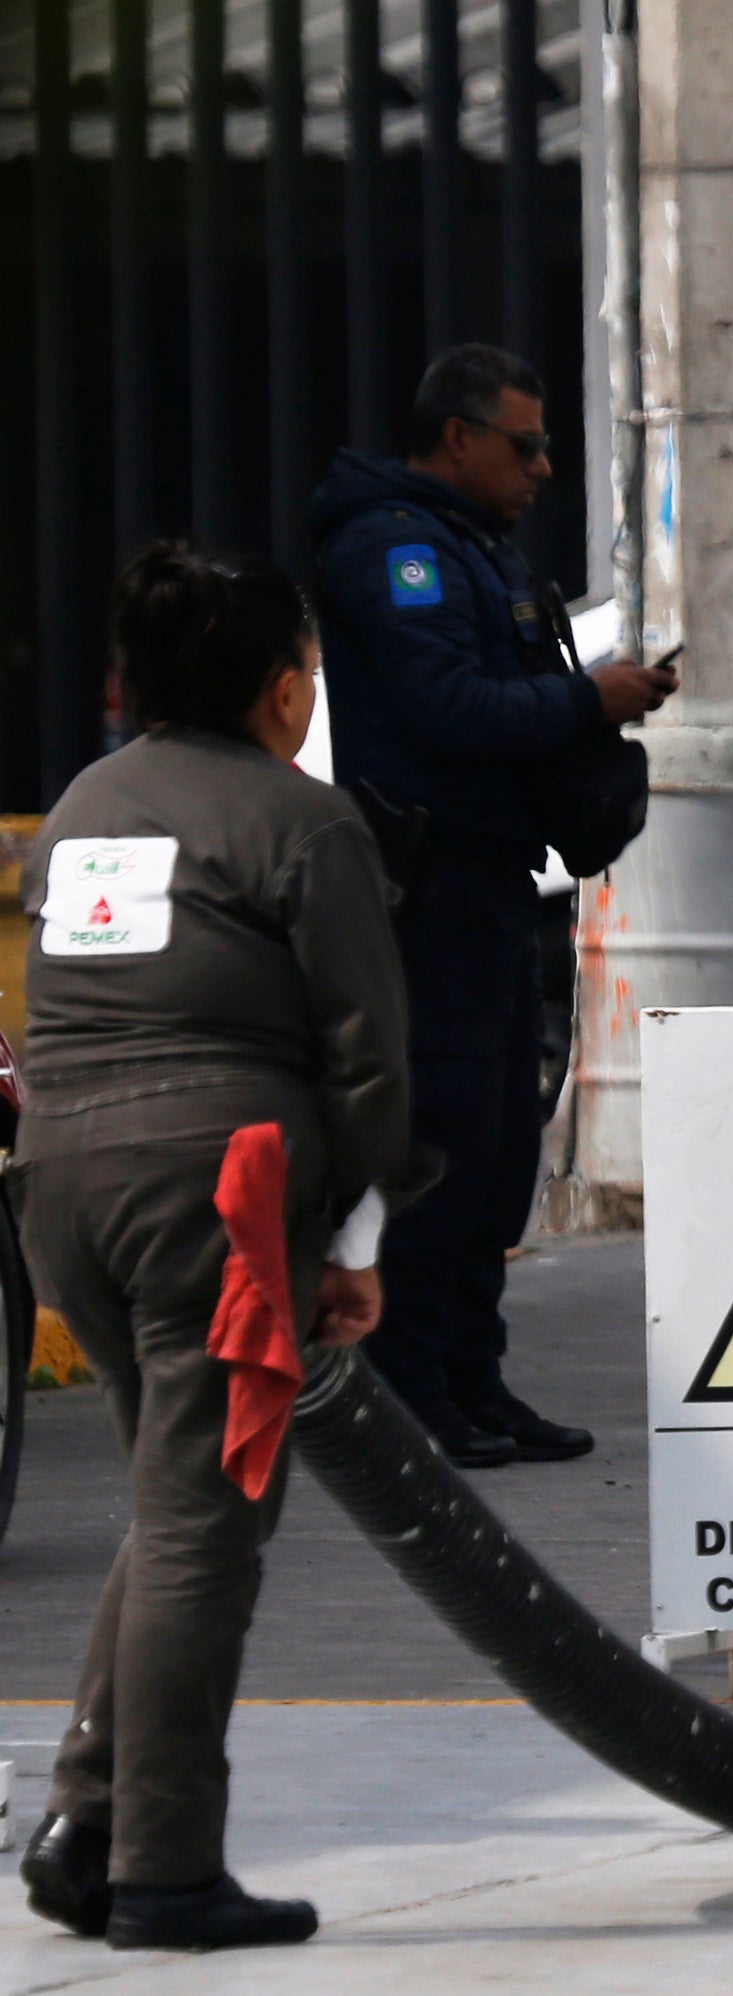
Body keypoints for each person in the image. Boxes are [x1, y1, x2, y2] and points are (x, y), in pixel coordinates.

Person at [14, 548, 419, 1951]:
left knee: (184, 1500)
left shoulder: (82, 808)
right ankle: (165, 1872)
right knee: (208, 1525)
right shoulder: (301, 823)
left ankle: (85, 1827)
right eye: (306, 667)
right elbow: (370, 1064)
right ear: (279, 687)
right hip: (218, 1195)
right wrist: (355, 1236)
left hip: (63, 1184)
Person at [309, 344, 677, 1467]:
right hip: (428, 894)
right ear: (457, 436)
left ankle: (472, 1375)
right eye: (525, 445)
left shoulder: (469, 544)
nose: (543, 467)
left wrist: (593, 702)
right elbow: (447, 709)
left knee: (503, 1144)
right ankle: (411, 1394)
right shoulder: (397, 548)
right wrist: (586, 698)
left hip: (494, 883)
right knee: (444, 1141)